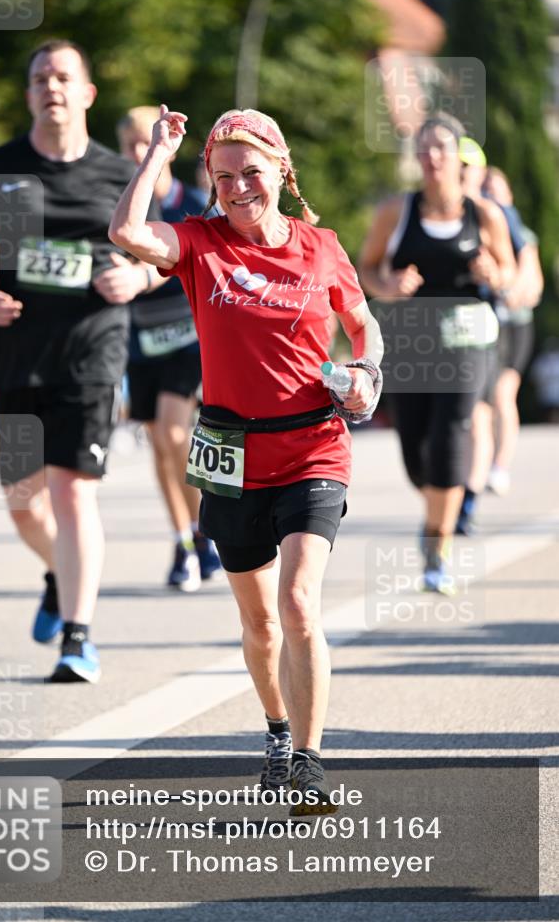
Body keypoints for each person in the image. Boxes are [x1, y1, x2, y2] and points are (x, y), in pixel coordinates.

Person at [109, 105, 383, 814]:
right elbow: (126, 233)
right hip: (229, 451)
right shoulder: (198, 244)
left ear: (282, 170)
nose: (237, 188)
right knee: (259, 622)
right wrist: (158, 155)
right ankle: (275, 730)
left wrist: (365, 374)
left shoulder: (320, 246)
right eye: (223, 176)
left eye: (251, 173)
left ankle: (311, 761)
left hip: (312, 444)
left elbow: (363, 327)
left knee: (297, 602)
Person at [0, 40, 163, 684]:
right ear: (28, 95)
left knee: (74, 492)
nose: (52, 86)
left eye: (64, 77)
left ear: (87, 94)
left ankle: (78, 636)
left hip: (91, 354)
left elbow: (165, 255)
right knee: (22, 500)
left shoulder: (116, 174)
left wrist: (137, 281)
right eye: (41, 77)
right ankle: (58, 573)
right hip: (17, 355)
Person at [358, 114, 515, 592]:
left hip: (467, 342)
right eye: (423, 150)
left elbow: (508, 273)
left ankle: (436, 549)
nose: (432, 158)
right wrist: (388, 285)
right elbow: (366, 266)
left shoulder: (483, 214)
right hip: (410, 341)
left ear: (457, 155)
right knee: (414, 450)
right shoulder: (396, 211)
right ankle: (434, 514)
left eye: (441, 149)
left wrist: (492, 273)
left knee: (451, 438)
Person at [116, 107, 222, 590]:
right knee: (160, 444)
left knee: (175, 433)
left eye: (147, 143)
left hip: (187, 334)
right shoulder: (123, 203)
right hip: (141, 338)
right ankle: (185, 541)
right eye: (132, 146)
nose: (141, 153)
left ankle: (205, 532)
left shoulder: (194, 202)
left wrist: (144, 276)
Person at [482, 166, 543, 494]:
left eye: (497, 188)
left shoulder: (523, 235)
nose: (491, 193)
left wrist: (508, 291)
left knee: (504, 394)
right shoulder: (478, 227)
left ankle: (500, 465)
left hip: (515, 325)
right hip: (486, 326)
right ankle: (482, 461)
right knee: (485, 400)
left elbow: (532, 283)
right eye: (485, 187)